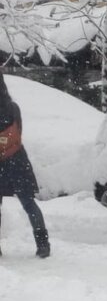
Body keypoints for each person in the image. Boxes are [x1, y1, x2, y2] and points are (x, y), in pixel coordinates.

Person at [0, 73, 51, 258]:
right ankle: (43, 244)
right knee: (29, 204)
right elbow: (18, 132)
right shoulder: (13, 108)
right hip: (17, 160)